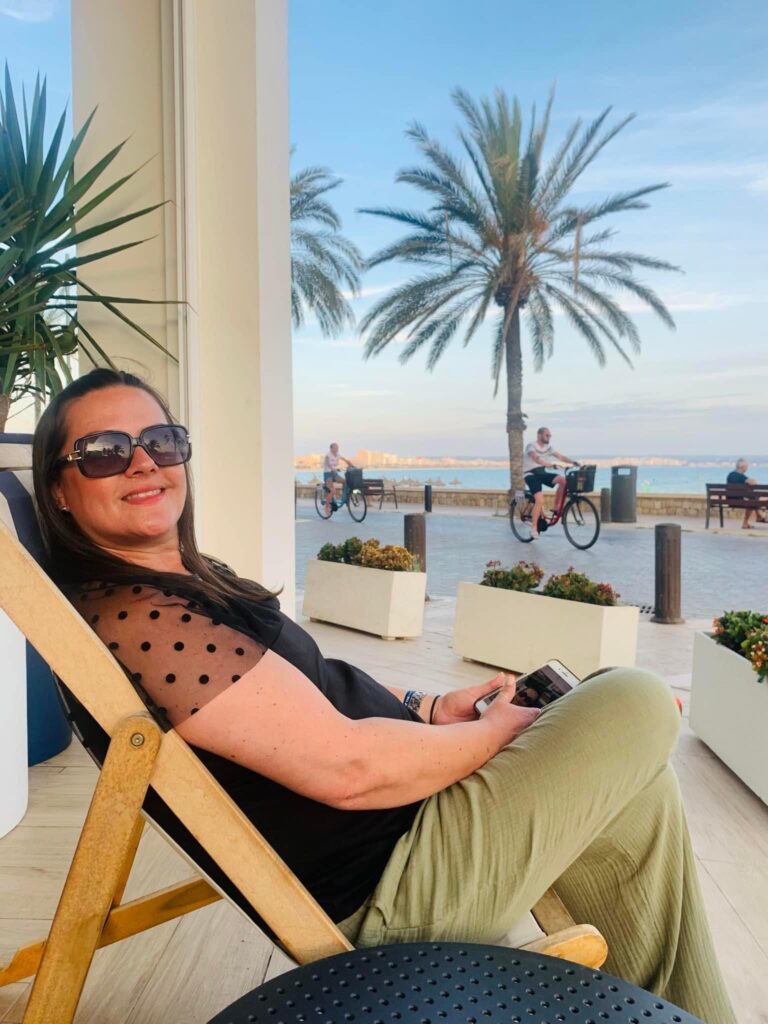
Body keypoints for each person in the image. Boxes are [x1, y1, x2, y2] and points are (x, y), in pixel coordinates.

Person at [31, 369, 736, 1024]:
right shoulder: (141, 619)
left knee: (641, 790)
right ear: (59, 490)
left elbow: (313, 687)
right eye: (104, 452)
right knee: (634, 698)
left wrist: (431, 708)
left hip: (415, 826)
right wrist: (498, 730)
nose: (143, 462)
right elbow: (349, 768)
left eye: (161, 440)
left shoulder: (187, 580)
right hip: (397, 885)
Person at [522, 427, 579, 538]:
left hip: (541, 473)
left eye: (550, 436)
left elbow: (560, 456)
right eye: (547, 435)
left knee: (563, 480)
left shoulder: (548, 448)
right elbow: (536, 458)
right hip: (530, 474)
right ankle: (534, 529)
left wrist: (573, 462)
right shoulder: (531, 446)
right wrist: (549, 465)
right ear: (539, 435)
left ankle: (556, 507)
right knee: (540, 500)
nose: (549, 437)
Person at [726, 458, 766, 529]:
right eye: (746, 466)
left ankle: (759, 516)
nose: (747, 468)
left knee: (752, 498)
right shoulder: (740, 476)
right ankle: (753, 519)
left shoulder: (730, 475)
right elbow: (754, 482)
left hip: (730, 501)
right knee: (752, 500)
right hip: (740, 501)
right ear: (742, 467)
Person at [323, 442, 356, 515]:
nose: (337, 449)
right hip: (328, 474)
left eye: (337, 447)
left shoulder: (338, 454)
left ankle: (344, 496)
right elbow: (327, 463)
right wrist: (331, 468)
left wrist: (352, 466)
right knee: (333, 490)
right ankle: (326, 507)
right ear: (331, 448)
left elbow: (345, 460)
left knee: (345, 481)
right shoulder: (328, 455)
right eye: (335, 447)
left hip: (334, 473)